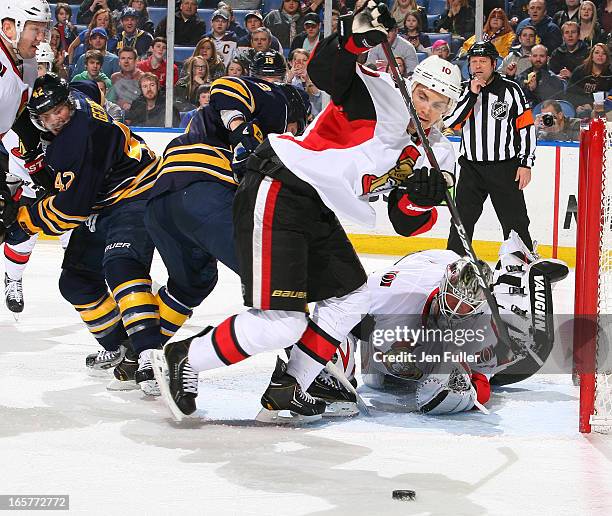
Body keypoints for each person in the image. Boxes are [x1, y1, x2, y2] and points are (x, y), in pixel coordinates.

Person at [151, 2, 463, 423]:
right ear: (411, 85)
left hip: (316, 209)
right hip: (281, 184)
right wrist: (354, 36)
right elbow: (327, 70)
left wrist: (423, 199)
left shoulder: (437, 152)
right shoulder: (383, 94)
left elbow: (407, 220)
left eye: (439, 104)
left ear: (450, 111)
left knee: (354, 298)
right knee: (282, 323)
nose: (427, 108)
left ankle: (290, 387)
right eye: (423, 96)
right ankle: (185, 357)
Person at [1, 73, 163, 394]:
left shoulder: (75, 140)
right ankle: (121, 346)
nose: (55, 119)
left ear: (67, 103)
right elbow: (91, 89)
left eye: (58, 110)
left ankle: (149, 355)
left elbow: (69, 211)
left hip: (139, 191)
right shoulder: (79, 94)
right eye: (46, 116)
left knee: (121, 268)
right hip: (103, 200)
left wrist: (24, 219)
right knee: (75, 282)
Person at [144, 59, 309, 365]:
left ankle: (139, 356)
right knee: (277, 280)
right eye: (298, 127)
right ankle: (308, 370)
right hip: (202, 194)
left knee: (192, 284)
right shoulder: (280, 103)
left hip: (163, 204)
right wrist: (240, 127)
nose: (296, 134)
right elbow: (226, 85)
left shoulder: (269, 145)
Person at [339, 233, 566, 415]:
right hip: (426, 261)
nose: (457, 309)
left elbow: (483, 380)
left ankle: (516, 263)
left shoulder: (483, 323)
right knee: (377, 380)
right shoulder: (400, 289)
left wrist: (469, 390)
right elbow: (346, 299)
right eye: (454, 298)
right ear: (444, 286)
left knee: (521, 354)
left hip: (452, 311)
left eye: (467, 305)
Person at [445, 41, 536, 258]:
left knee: (515, 220)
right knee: (461, 220)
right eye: (473, 62)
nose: (477, 66)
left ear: (493, 64)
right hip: (471, 169)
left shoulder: (511, 90)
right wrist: (471, 94)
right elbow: (452, 122)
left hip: (505, 167)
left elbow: (526, 128)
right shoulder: (461, 90)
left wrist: (526, 163)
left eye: (483, 61)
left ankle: (522, 264)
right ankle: (454, 264)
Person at [0, 0, 55, 197]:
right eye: (35, 30)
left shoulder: (27, 60)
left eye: (44, 30)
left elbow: (17, 110)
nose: (41, 38)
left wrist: (33, 156)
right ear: (9, 28)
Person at [566, 43, 612, 118]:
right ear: (591, 56)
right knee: (583, 113)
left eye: (604, 53)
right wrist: (577, 106)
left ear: (607, 57)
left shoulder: (610, 73)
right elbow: (569, 93)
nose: (600, 55)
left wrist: (592, 105)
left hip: (604, 109)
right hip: (581, 108)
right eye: (597, 52)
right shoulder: (580, 71)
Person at [110, 47, 142, 112]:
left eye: (130, 58)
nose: (126, 61)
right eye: (123, 58)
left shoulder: (142, 78)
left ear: (136, 61)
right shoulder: (114, 77)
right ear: (119, 62)